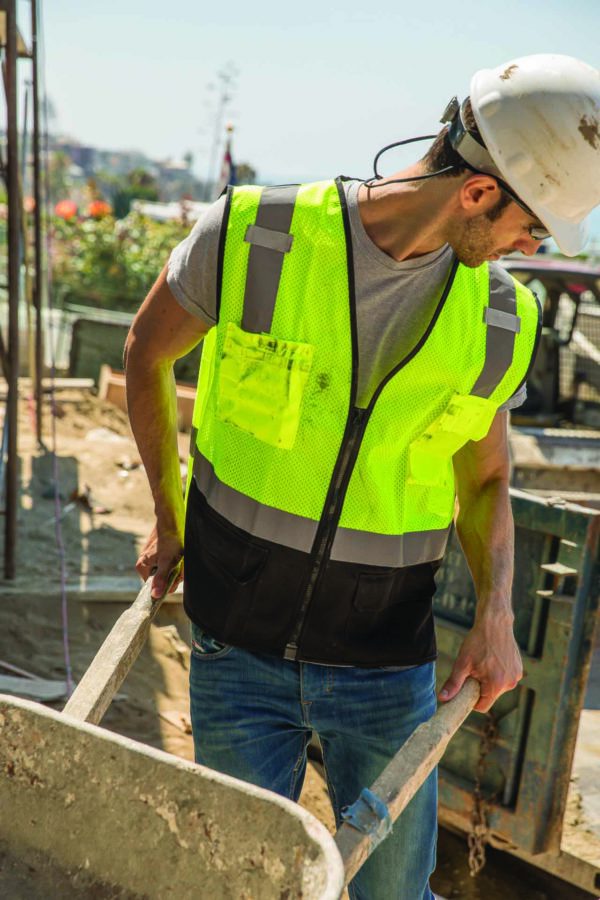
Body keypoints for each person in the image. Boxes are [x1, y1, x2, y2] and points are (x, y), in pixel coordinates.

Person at [124, 54, 600, 899]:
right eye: (537, 225)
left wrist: (495, 614)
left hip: (386, 668)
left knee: (393, 895)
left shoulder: (501, 316)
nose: (535, 248)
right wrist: (168, 515)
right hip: (236, 645)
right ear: (480, 192)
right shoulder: (255, 232)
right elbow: (148, 353)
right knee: (240, 885)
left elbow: (486, 479)